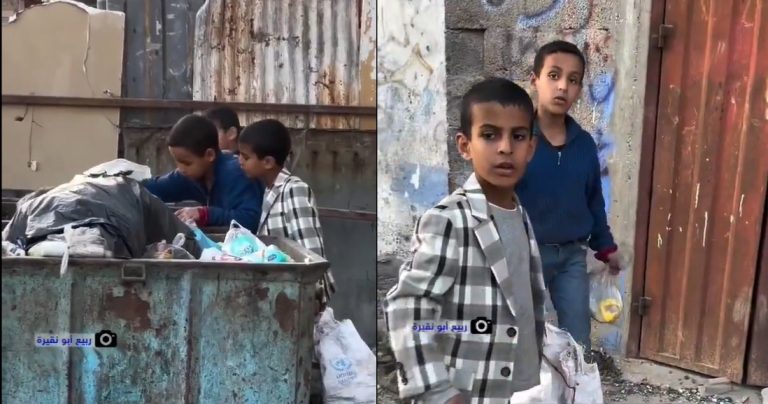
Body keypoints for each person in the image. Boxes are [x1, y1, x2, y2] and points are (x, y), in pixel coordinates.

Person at [384, 78, 546, 403]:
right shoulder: (448, 219)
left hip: (514, 383)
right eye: (489, 135)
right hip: (468, 388)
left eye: (517, 136)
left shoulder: (520, 214)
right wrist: (438, 391)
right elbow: (407, 307)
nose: (504, 148)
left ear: (531, 147)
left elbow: (524, 295)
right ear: (464, 145)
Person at [516, 40, 622, 352]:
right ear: (535, 80)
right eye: (554, 75)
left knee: (578, 342)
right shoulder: (518, 139)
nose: (563, 87)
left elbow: (593, 201)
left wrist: (606, 248)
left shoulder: (585, 145)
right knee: (522, 341)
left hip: (571, 258)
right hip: (524, 256)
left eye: (573, 80)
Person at [237, 118, 335, 306]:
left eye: (246, 157)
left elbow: (312, 252)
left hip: (301, 299)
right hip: (282, 297)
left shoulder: (293, 189)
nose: (239, 161)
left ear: (267, 162)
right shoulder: (269, 189)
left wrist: (314, 299)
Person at [143, 114, 264, 232]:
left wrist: (205, 214)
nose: (181, 169)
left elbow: (250, 220)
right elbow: (155, 187)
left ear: (209, 155)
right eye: (177, 162)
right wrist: (129, 182)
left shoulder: (236, 174)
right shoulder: (189, 176)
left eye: (186, 163)